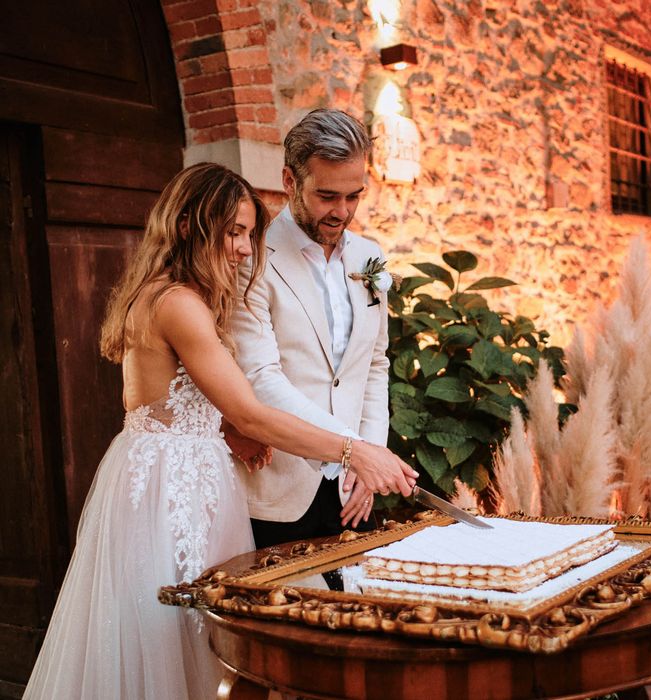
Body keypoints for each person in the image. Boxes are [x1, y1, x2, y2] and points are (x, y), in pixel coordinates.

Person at [22, 163, 418, 700]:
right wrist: (354, 452)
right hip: (171, 492)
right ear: (187, 226)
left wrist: (224, 432)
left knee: (207, 640)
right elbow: (251, 409)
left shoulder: (174, 293)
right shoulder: (179, 304)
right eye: (231, 231)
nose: (242, 248)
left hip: (184, 473)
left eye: (250, 233)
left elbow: (162, 403)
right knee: (181, 639)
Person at [228, 108, 396, 549]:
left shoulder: (369, 257)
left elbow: (374, 365)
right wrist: (356, 450)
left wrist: (367, 460)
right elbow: (260, 379)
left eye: (354, 196)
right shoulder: (252, 257)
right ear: (289, 180)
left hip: (354, 491)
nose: (342, 212)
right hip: (277, 488)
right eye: (326, 196)